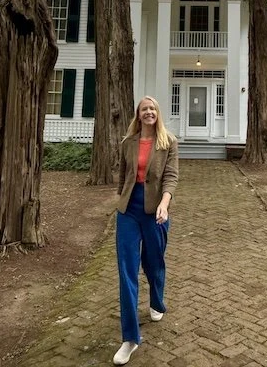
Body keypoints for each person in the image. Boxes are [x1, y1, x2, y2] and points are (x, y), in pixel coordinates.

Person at [113, 95, 179, 366]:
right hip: (128, 210)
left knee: (153, 264)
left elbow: (171, 176)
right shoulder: (128, 143)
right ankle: (130, 338)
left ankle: (156, 300)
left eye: (152, 109)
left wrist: (165, 204)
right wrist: (119, 201)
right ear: (138, 115)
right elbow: (122, 176)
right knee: (126, 270)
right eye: (144, 109)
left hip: (155, 211)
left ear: (158, 113)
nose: (148, 112)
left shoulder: (168, 142)